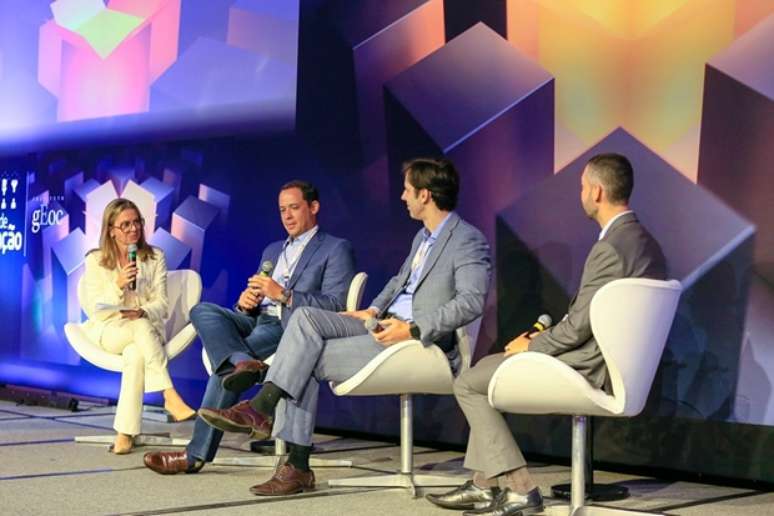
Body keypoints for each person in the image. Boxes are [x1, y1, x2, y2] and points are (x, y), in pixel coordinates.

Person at [197, 157, 491, 496]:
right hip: (382, 325)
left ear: (425, 194)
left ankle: (286, 447)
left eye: (407, 190)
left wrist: (411, 329)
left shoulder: (466, 239)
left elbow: (471, 302)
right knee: (304, 319)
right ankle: (268, 421)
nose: (402, 196)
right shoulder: (422, 238)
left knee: (303, 354)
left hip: (420, 341)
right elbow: (398, 283)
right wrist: (372, 309)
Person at [426, 153, 667, 516]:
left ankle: (519, 487)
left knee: (469, 383)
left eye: (582, 187)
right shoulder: (644, 242)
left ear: (597, 192)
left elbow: (580, 327)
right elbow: (592, 317)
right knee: (487, 370)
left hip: (590, 365)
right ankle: (484, 483)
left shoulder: (611, 248)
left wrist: (533, 345)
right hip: (610, 359)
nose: (580, 194)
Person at [143, 180, 355, 474]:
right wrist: (246, 303)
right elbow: (255, 299)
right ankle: (243, 361)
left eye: (294, 208)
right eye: (282, 210)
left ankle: (195, 454)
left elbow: (335, 305)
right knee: (201, 310)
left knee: (225, 368)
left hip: (289, 326)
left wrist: (284, 295)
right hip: (255, 318)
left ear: (314, 207)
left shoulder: (335, 248)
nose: (287, 216)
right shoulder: (273, 249)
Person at [81, 198, 195, 454]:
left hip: (146, 330)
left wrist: (142, 311)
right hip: (111, 329)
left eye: (137, 222)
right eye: (125, 225)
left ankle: (125, 433)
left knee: (135, 353)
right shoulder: (96, 260)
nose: (133, 229)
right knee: (138, 330)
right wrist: (118, 285)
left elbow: (162, 304)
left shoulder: (155, 257)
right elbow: (95, 309)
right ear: (111, 230)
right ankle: (168, 393)